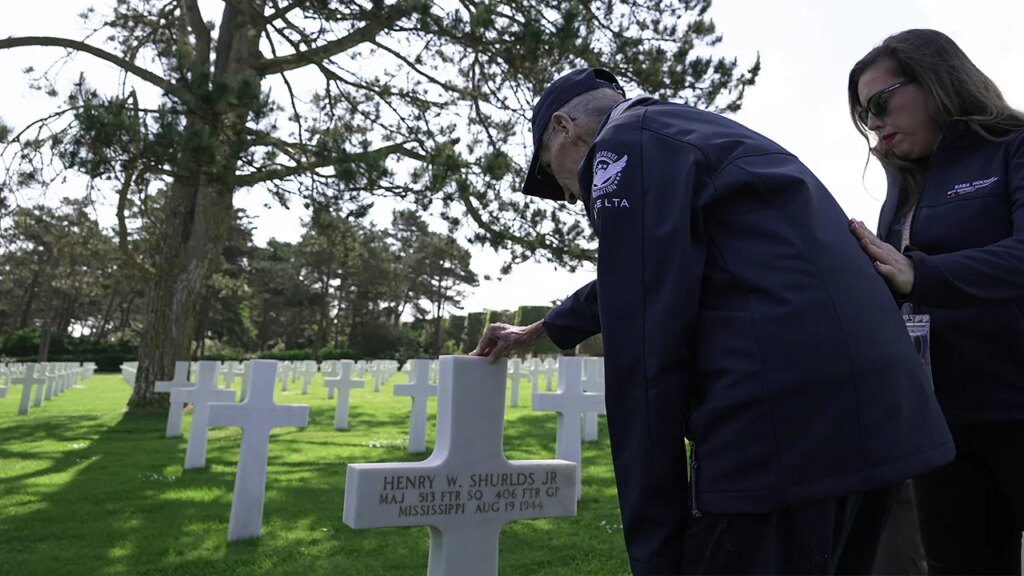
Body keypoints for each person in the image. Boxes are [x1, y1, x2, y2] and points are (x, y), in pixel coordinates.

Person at [472, 67, 954, 575]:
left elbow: (645, 359)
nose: (573, 196)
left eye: (556, 175)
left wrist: (654, 546)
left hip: (780, 435)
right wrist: (543, 328)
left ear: (566, 127)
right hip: (876, 423)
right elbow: (648, 267)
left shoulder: (619, 148)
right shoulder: (691, 133)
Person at [848, 29, 1024, 575]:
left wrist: (918, 273)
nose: (873, 123)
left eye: (879, 102)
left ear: (937, 82)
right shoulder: (901, 185)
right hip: (941, 425)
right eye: (863, 114)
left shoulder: (1013, 148)